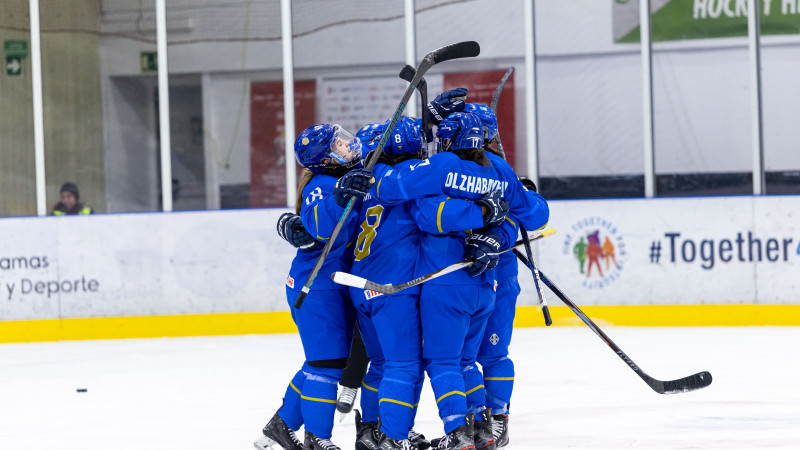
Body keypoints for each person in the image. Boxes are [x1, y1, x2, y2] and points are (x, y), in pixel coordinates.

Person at [340, 111, 548, 450]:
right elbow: (536, 214)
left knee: (406, 363)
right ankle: (479, 426)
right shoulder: (499, 171)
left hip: (379, 283)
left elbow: (424, 211)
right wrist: (493, 217)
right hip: (468, 282)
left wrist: (368, 170)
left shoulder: (435, 169)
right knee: (459, 360)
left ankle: (392, 434)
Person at [254, 123, 372, 450]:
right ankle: (318, 439)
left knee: (321, 360)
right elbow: (320, 226)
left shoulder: (346, 176)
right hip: (317, 287)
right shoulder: (322, 184)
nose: (349, 145)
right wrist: (340, 194)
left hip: (331, 285)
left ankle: (281, 425)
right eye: (340, 143)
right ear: (327, 156)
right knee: (327, 365)